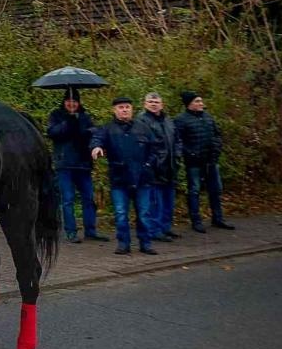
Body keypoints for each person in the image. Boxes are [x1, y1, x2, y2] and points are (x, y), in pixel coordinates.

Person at [90, 98, 157, 256]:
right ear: (114, 110)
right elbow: (97, 139)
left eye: (127, 107)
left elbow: (154, 149)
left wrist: (148, 165)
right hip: (119, 179)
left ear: (132, 109)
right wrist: (97, 147)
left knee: (144, 213)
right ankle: (123, 243)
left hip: (142, 178)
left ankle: (145, 243)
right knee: (121, 213)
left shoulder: (143, 127)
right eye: (121, 107)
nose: (125, 110)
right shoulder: (108, 128)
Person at [46, 88, 109, 243]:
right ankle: (71, 231)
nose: (72, 104)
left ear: (78, 102)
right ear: (64, 102)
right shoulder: (56, 115)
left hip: (83, 163)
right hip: (64, 164)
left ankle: (91, 230)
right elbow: (52, 133)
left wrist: (85, 128)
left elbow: (93, 132)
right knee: (67, 199)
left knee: (89, 198)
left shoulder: (85, 117)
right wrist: (68, 122)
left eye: (74, 101)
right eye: (69, 101)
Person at [175, 92, 233, 232]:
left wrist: (217, 148)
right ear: (190, 104)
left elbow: (217, 134)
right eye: (198, 101)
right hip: (194, 162)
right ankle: (196, 220)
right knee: (194, 190)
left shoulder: (208, 117)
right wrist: (189, 153)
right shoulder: (181, 120)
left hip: (211, 160)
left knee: (216, 189)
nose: (201, 103)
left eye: (201, 100)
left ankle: (218, 218)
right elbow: (178, 141)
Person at [138, 92, 181, 241]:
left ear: (161, 104)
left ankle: (165, 227)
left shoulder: (168, 120)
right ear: (145, 104)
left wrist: (177, 155)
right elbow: (143, 143)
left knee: (169, 200)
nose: (153, 104)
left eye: (156, 102)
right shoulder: (142, 121)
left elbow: (177, 139)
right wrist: (150, 162)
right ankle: (154, 230)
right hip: (154, 167)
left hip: (170, 165)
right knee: (155, 201)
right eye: (150, 101)